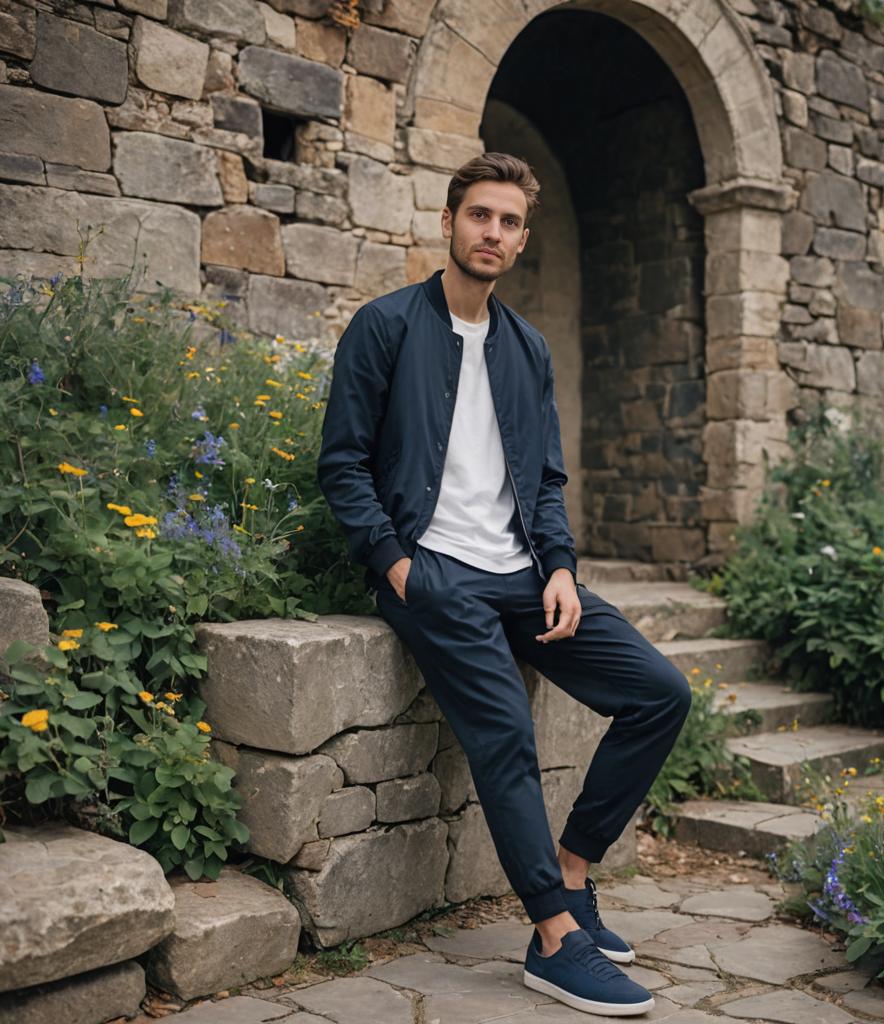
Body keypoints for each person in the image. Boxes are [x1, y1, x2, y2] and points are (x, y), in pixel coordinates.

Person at [317, 152, 692, 1016]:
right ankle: (554, 940)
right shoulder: (386, 327)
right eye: (480, 215)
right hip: (434, 576)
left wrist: (560, 567)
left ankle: (573, 874)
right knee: (507, 734)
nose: (493, 232)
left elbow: (545, 479)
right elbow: (342, 466)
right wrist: (400, 567)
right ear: (449, 221)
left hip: (521, 574)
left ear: (523, 239)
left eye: (510, 221)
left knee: (660, 694)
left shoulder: (526, 347)